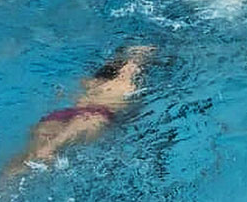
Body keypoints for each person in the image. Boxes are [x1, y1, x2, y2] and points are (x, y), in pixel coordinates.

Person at [20, 46, 153, 166]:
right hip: (96, 115)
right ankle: (49, 149)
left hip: (66, 112)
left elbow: (64, 94)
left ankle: (3, 184)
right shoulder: (129, 85)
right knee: (69, 132)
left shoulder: (90, 81)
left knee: (27, 156)